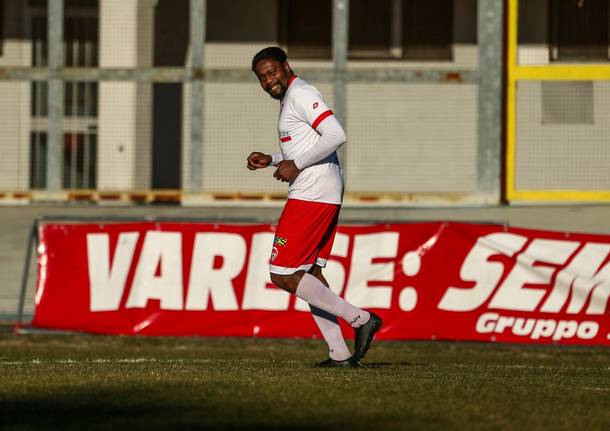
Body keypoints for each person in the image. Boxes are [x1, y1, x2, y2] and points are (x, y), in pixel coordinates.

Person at [246, 47, 382, 368]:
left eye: (272, 72)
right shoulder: (289, 98)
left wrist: (295, 163)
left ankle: (361, 319)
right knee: (311, 273)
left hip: (314, 192)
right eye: (262, 78)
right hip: (323, 189)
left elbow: (336, 134)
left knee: (282, 273)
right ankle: (340, 354)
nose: (268, 81)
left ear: (286, 66)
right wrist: (274, 159)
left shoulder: (302, 93)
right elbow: (308, 145)